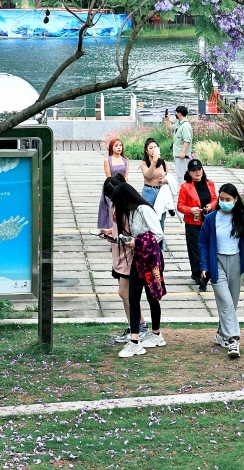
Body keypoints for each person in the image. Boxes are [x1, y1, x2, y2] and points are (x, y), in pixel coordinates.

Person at [198, 183, 244, 359]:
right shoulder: (211, 219)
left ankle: (220, 334)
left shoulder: (241, 218)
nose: (224, 202)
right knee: (225, 301)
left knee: (231, 303)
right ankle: (233, 339)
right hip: (217, 263)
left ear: (235, 199)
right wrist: (204, 266)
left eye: (228, 199)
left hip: (235, 262)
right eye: (221, 199)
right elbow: (202, 243)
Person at [111, 183, 166, 358]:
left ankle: (156, 334)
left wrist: (137, 242)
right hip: (138, 258)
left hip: (151, 259)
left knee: (152, 297)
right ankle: (134, 341)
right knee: (133, 297)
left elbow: (158, 234)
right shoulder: (132, 212)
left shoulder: (144, 210)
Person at [98, 175, 147, 343]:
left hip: (128, 256)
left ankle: (140, 325)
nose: (111, 200)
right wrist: (109, 232)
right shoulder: (116, 207)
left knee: (125, 293)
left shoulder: (130, 210)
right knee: (125, 294)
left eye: (112, 197)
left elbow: (131, 234)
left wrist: (118, 238)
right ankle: (134, 325)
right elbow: (117, 229)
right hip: (119, 255)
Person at [176, 158, 218, 286]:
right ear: (189, 172)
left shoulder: (210, 183)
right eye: (194, 170)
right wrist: (190, 210)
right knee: (196, 249)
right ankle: (199, 274)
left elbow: (215, 199)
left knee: (209, 247)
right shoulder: (185, 187)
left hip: (208, 222)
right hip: (193, 224)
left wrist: (211, 205)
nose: (197, 172)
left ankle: (204, 272)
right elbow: (180, 206)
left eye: (199, 169)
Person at [140, 137, 169, 249]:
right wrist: (154, 162)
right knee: (148, 218)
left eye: (155, 147)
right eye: (150, 148)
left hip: (161, 192)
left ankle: (160, 245)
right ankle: (148, 244)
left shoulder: (163, 162)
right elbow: (148, 176)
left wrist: (165, 180)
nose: (153, 150)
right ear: (146, 151)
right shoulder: (144, 163)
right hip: (148, 192)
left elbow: (169, 177)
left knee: (161, 218)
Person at [97, 138, 129, 229]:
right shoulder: (107, 160)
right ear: (111, 148)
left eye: (120, 145)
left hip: (123, 188)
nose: (119, 147)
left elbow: (126, 176)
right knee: (111, 209)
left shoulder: (125, 160)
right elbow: (109, 177)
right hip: (111, 188)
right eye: (116, 146)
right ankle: (110, 230)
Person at [172, 105, 193, 187]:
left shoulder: (186, 126)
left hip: (182, 156)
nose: (175, 114)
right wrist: (167, 120)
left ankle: (185, 190)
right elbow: (171, 128)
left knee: (182, 175)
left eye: (176, 112)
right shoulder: (179, 123)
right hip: (177, 154)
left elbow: (186, 140)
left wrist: (183, 152)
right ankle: (184, 190)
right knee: (179, 174)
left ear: (179, 113)